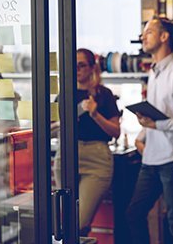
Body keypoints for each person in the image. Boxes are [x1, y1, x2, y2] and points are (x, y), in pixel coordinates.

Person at [126, 17, 173, 244]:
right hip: (150, 158)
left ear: (164, 37)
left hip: (172, 160)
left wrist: (157, 125)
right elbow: (160, 111)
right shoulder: (153, 72)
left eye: (149, 32)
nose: (142, 37)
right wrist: (143, 133)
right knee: (133, 214)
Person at [53, 48, 121, 235]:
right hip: (66, 155)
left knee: (80, 222)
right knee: (65, 219)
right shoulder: (64, 95)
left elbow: (115, 131)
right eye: (73, 66)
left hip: (96, 159)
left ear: (92, 67)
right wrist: (63, 124)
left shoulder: (103, 95)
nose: (77, 69)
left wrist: (95, 113)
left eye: (81, 65)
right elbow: (51, 128)